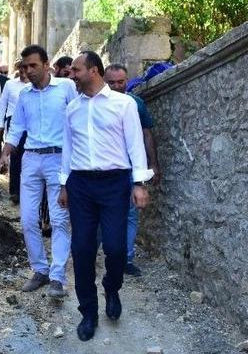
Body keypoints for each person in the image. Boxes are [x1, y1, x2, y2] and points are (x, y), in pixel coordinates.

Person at [58, 51, 152, 341]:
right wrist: (64, 185)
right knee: (82, 249)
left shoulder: (124, 105)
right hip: (81, 185)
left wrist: (139, 183)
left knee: (116, 248)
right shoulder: (72, 108)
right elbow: (68, 149)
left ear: (94, 71)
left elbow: (135, 144)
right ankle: (89, 312)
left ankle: (112, 287)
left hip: (114, 183)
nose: (71, 75)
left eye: (76, 70)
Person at [0, 45, 77, 299]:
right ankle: (40, 270)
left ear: (46, 64)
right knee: (28, 219)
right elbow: (17, 127)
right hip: (31, 159)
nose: (28, 70)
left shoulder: (66, 88)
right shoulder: (24, 95)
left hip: (58, 158)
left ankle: (57, 276)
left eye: (33, 65)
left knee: (59, 219)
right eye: (24, 66)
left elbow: (77, 119)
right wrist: (5, 152)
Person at [104, 64, 162, 276]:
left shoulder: (136, 104)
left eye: (121, 82)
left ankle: (125, 259)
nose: (118, 86)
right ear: (104, 81)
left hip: (131, 169)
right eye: (112, 82)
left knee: (130, 214)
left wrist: (153, 163)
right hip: (106, 169)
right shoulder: (96, 105)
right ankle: (99, 253)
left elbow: (147, 134)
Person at [0, 59, 30, 204]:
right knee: (15, 155)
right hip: (13, 123)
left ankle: (28, 191)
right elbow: (2, 104)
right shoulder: (10, 84)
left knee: (28, 156)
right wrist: (0, 123)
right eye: (20, 69)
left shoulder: (34, 85)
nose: (23, 72)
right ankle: (15, 191)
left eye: (25, 68)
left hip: (30, 123)